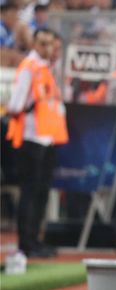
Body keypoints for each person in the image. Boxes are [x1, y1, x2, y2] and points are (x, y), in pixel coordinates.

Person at [6, 28, 68, 258]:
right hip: (31, 137)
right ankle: (26, 242)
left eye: (50, 44)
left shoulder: (45, 68)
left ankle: (35, 239)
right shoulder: (30, 68)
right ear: (34, 43)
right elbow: (15, 105)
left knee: (41, 191)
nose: (47, 48)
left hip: (47, 137)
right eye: (43, 43)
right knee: (31, 192)